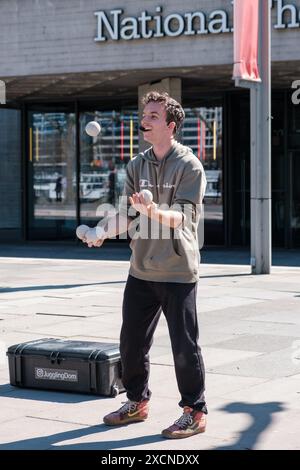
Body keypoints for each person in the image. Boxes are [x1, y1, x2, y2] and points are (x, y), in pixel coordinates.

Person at [82, 91, 207, 439]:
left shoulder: (189, 166)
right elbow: (127, 214)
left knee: (185, 346)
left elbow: (183, 218)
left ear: (170, 125)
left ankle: (194, 411)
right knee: (131, 342)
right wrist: (101, 232)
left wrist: (153, 212)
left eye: (153, 115)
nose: (145, 120)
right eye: (145, 114)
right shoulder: (137, 164)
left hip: (178, 271)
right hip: (141, 268)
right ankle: (137, 402)